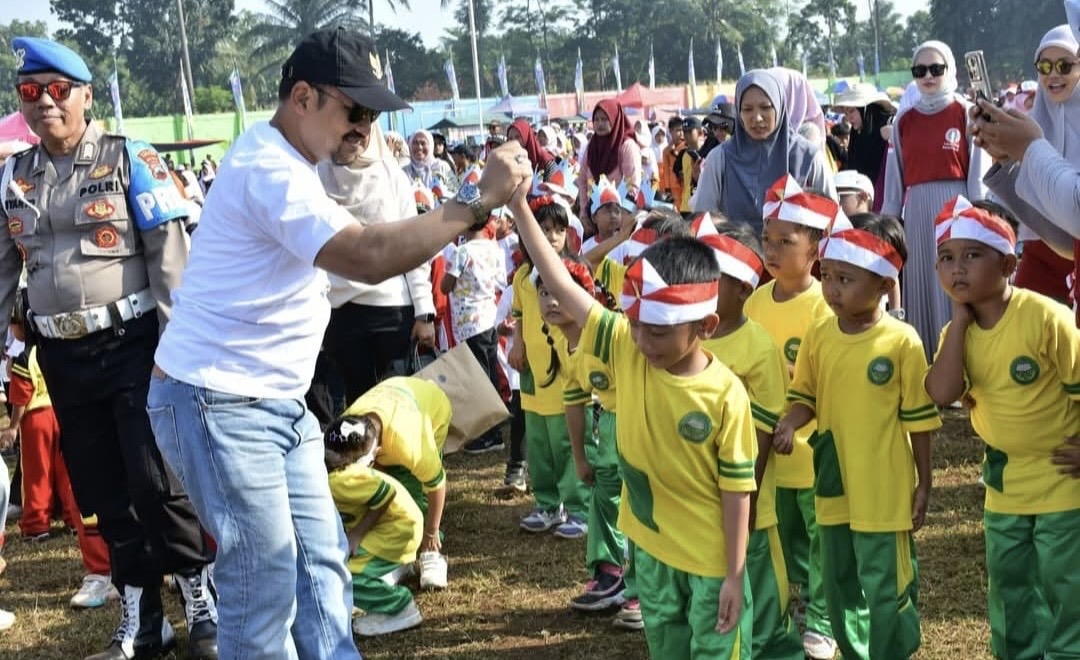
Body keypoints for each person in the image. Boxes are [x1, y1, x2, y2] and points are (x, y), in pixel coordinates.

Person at [145, 28, 530, 658]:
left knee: (322, 565)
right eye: (355, 111)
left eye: (373, 115)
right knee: (263, 583)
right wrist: (475, 198)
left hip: (270, 401)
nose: (365, 128)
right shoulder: (268, 167)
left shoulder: (292, 164)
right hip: (219, 399)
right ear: (303, 97)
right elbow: (369, 254)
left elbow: (374, 235)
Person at [0, 36, 217, 660]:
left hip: (135, 344)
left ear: (86, 95)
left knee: (154, 481)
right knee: (102, 491)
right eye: (30, 92)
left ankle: (201, 601)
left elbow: (171, 259)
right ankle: (145, 620)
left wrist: (174, 351)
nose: (45, 103)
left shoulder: (130, 158)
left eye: (58, 91)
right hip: (61, 356)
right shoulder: (13, 177)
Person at [511, 188, 757, 658]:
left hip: (709, 562)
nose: (642, 340)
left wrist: (734, 573)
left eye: (658, 332)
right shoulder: (627, 346)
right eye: (637, 325)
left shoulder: (726, 395)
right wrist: (520, 207)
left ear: (705, 326)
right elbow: (562, 283)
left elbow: (737, 489)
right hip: (651, 550)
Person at [775, 215, 940, 660]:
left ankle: (891, 651)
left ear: (885, 285)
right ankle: (854, 652)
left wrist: (923, 482)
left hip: (884, 487)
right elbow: (805, 393)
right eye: (826, 276)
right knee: (838, 579)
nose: (831, 289)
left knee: (887, 583)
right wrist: (791, 421)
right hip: (833, 483)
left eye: (844, 279)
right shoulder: (821, 333)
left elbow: (919, 421)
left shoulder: (902, 342)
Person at [924, 197, 1079, 659]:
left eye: (972, 255)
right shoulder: (958, 334)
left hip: (1062, 480)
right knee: (1009, 585)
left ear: (1008, 263)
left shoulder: (1045, 318)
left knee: (1065, 584)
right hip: (1004, 483)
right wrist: (957, 322)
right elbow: (941, 392)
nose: (957, 269)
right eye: (947, 259)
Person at [700, 224, 805, 660]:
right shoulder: (689, 337)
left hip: (748, 502)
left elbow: (761, 435)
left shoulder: (758, 348)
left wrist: (747, 497)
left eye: (711, 280)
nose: (699, 288)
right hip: (702, 497)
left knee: (759, 585)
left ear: (743, 289)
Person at [744, 175, 837, 660]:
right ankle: (795, 605)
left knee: (820, 534)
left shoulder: (827, 305)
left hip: (813, 447)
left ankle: (822, 617)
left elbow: (827, 382)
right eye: (767, 240)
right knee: (785, 538)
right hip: (769, 453)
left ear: (815, 250)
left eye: (787, 241)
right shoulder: (754, 304)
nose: (773, 250)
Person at [882, 40, 989, 358]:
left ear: (950, 70)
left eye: (936, 69)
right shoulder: (904, 119)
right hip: (916, 212)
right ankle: (928, 361)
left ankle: (966, 359)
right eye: (920, 70)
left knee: (959, 280)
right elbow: (895, 177)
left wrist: (977, 213)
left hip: (958, 207)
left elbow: (978, 170)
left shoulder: (966, 112)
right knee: (924, 282)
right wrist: (890, 223)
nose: (928, 76)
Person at [318, 123, 437, 405]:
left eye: (361, 133)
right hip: (339, 312)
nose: (354, 140)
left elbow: (412, 247)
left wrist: (424, 314)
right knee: (356, 407)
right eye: (346, 133)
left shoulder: (392, 175)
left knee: (396, 404)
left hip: (392, 310)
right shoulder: (317, 175)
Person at [1, 317, 115, 609]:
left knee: (37, 477)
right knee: (71, 480)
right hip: (62, 413)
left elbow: (21, 392)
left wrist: (13, 425)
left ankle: (36, 524)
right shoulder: (50, 351)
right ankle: (72, 525)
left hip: (38, 417)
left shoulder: (24, 355)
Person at [510, 197, 589, 538]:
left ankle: (579, 509)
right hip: (532, 372)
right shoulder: (523, 277)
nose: (552, 237)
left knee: (567, 442)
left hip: (565, 373)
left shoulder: (572, 272)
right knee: (539, 443)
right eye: (544, 230)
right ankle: (546, 504)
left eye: (559, 230)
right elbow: (517, 314)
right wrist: (517, 343)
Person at [982, 25, 1078, 305]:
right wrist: (1005, 159)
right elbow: (1054, 230)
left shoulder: (1029, 133)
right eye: (1045, 66)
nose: (1054, 74)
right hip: (1043, 254)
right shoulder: (1030, 125)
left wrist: (1028, 148)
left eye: (1065, 64)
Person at [328, 376, 452, 592]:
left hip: (430, 410)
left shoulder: (412, 447)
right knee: (389, 494)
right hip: (393, 397)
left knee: (415, 494)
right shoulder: (348, 428)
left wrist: (431, 532)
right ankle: (400, 558)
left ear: (376, 453)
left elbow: (436, 485)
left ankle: (431, 552)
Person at [693, 70, 836, 236]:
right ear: (738, 113)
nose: (757, 117)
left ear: (779, 106)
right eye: (747, 109)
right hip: (737, 258)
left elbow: (831, 220)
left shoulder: (808, 157)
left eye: (765, 107)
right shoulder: (720, 158)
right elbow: (703, 219)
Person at [324, 416, 425, 637]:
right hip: (398, 526)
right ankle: (394, 568)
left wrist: (357, 534)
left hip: (397, 530)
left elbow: (385, 494)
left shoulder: (340, 481)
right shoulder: (346, 474)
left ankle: (399, 606)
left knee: (345, 573)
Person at [441, 217, 507, 454]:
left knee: (479, 379)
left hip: (469, 322)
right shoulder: (494, 248)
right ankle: (495, 428)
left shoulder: (461, 252)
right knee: (490, 374)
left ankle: (489, 434)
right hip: (489, 317)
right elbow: (501, 282)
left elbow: (445, 286)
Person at [577, 100, 642, 226]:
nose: (600, 123)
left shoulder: (627, 146)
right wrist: (584, 213)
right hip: (594, 216)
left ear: (615, 119)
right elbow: (582, 180)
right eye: (596, 119)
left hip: (618, 218)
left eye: (605, 119)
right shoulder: (591, 147)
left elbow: (633, 185)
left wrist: (620, 219)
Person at [832, 83, 896, 209]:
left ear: (866, 109)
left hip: (890, 204)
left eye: (851, 111)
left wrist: (894, 136)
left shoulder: (890, 128)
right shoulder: (858, 134)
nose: (848, 117)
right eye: (845, 112)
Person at [674, 117, 704, 214]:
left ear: (699, 132)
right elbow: (679, 175)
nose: (686, 135)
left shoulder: (707, 153)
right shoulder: (683, 154)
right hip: (685, 206)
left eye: (690, 132)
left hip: (700, 206)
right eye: (684, 132)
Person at [659, 116, 685, 205]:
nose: (681, 133)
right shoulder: (666, 150)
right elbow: (666, 170)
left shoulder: (687, 147)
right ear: (670, 131)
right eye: (678, 130)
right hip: (673, 186)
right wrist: (667, 188)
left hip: (685, 184)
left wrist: (674, 152)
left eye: (682, 130)